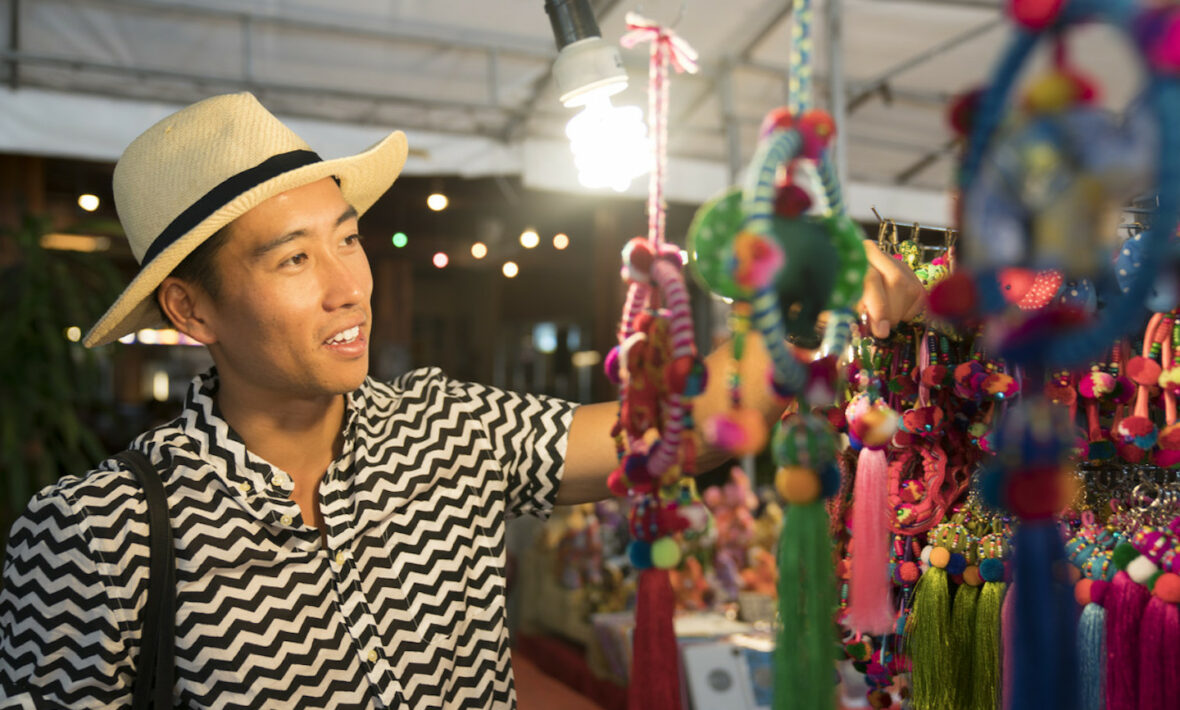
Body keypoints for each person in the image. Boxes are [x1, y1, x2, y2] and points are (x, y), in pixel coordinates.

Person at [0, 93, 924, 708]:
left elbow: (681, 432)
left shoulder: (445, 431)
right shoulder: (98, 531)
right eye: (291, 258)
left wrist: (803, 299)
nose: (345, 286)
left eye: (348, 240)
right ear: (191, 308)